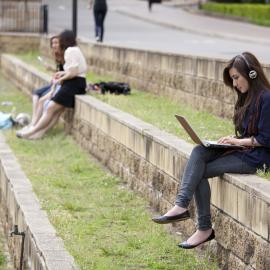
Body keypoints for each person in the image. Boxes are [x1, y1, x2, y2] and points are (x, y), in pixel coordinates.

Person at [152, 52, 270, 249]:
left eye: (236, 78)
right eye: (232, 79)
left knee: (198, 172)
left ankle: (203, 228)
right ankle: (182, 206)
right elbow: (246, 133)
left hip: (258, 157)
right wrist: (229, 141)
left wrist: (238, 142)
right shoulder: (246, 98)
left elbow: (266, 138)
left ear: (251, 74)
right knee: (199, 151)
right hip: (243, 150)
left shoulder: (267, 98)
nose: (234, 84)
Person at [16, 30, 87, 140]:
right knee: (55, 110)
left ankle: (31, 132)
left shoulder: (69, 51)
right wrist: (62, 73)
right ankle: (38, 133)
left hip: (73, 84)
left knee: (50, 109)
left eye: (61, 40)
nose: (60, 43)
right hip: (77, 83)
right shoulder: (75, 50)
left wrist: (61, 78)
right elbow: (77, 70)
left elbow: (73, 73)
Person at [30, 35, 64, 127]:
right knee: (36, 93)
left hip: (60, 85)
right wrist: (51, 70)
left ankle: (34, 124)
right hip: (55, 83)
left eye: (56, 43)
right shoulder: (57, 55)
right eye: (52, 43)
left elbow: (67, 73)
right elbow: (60, 72)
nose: (54, 45)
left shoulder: (65, 55)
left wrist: (54, 84)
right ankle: (34, 119)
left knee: (42, 100)